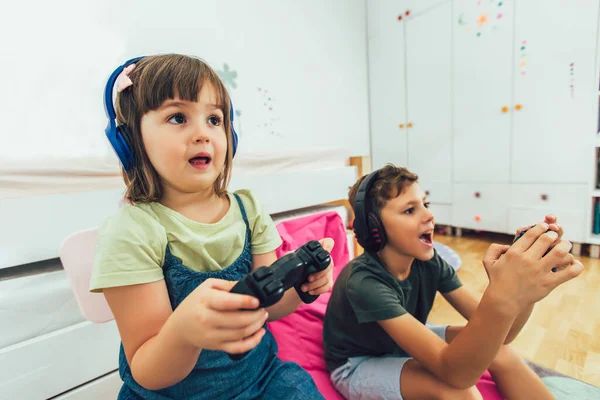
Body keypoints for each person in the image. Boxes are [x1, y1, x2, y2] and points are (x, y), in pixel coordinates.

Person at [90, 53, 334, 400]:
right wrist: (183, 334)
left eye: (215, 119)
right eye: (178, 117)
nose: (203, 133)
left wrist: (301, 288)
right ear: (130, 141)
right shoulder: (132, 232)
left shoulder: (248, 210)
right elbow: (146, 370)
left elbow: (268, 308)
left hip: (260, 379)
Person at [322, 163, 584, 400]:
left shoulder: (428, 261)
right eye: (410, 210)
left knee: (499, 352)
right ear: (372, 229)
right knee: (456, 391)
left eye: (426, 204)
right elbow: (456, 374)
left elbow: (504, 335)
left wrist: (524, 290)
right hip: (358, 363)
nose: (428, 216)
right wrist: (502, 294)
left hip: (401, 344)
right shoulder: (364, 282)